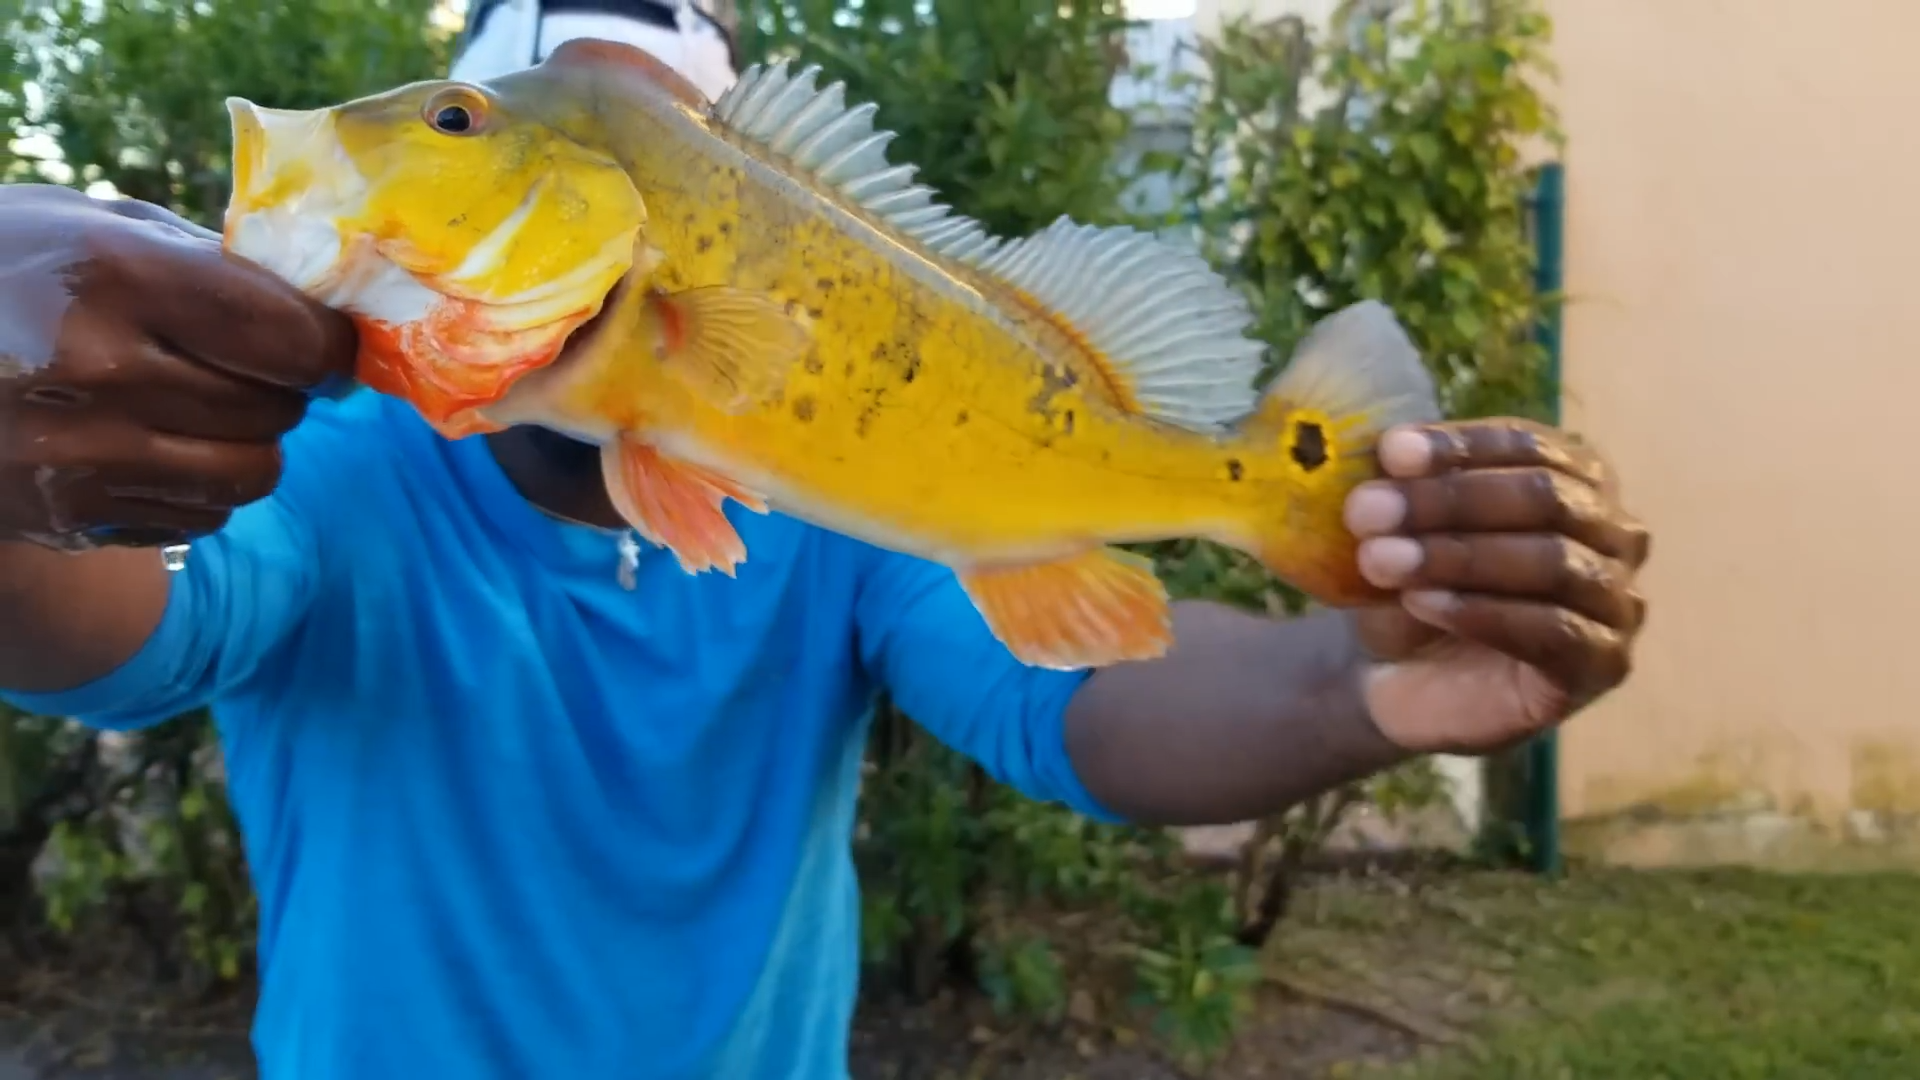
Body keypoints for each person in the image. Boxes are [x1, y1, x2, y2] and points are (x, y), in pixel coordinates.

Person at [0, 2, 1650, 1077]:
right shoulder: (334, 473)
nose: (418, 148)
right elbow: (128, 621)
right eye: (469, 115)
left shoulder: (833, 513)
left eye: (449, 130)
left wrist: (1360, 682)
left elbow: (1064, 703)